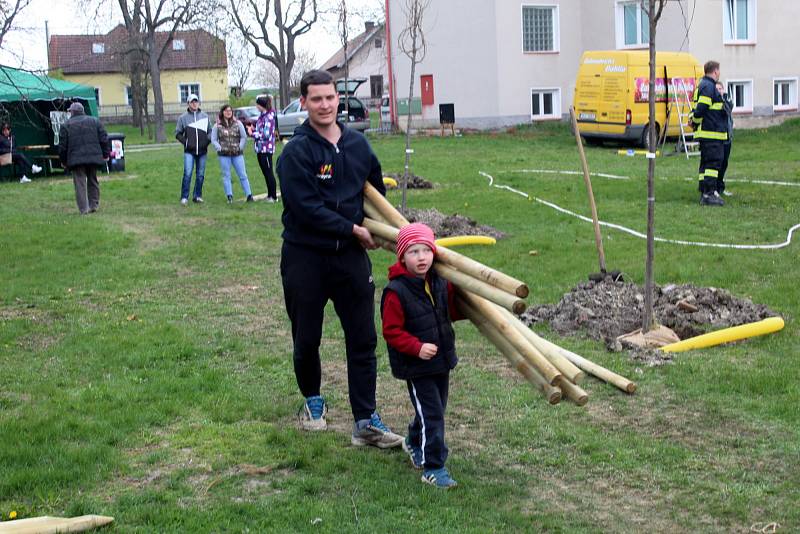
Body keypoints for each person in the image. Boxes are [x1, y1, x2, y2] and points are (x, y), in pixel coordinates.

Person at [276, 69, 402, 448]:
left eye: (330, 98)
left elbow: (375, 191)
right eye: (316, 99)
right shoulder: (296, 153)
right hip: (305, 257)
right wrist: (352, 230)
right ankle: (313, 402)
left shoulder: (358, 145)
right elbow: (305, 208)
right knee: (307, 338)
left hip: (349, 259)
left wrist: (378, 230)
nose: (325, 105)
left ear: (337, 99)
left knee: (363, 338)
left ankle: (365, 420)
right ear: (304, 103)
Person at [381, 223, 462, 489]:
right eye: (413, 252)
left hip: (441, 361)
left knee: (434, 410)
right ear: (402, 256)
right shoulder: (396, 291)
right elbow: (391, 331)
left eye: (426, 250)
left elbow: (451, 311)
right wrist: (416, 347)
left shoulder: (439, 281)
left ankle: (415, 440)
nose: (421, 257)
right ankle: (434, 468)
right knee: (433, 414)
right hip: (417, 365)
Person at [58, 102, 110, 215]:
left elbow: (62, 146)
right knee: (93, 180)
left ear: (72, 112)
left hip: (76, 159)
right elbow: (104, 139)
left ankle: (84, 209)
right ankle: (94, 205)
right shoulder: (95, 121)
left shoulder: (66, 125)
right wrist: (106, 154)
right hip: (93, 156)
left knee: (80, 183)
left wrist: (63, 161)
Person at [690, 60, 729, 207]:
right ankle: (709, 194)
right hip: (712, 133)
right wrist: (695, 121)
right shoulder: (708, 87)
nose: (719, 73)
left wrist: (693, 120)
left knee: (706, 164)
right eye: (718, 71)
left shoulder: (702, 85)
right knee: (713, 164)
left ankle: (704, 190)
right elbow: (701, 109)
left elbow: (697, 109)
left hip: (709, 133)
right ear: (715, 71)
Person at [211, 104, 254, 203]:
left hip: (237, 154)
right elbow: (213, 139)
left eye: (230, 111)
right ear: (222, 112)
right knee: (226, 175)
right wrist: (219, 147)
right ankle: (229, 196)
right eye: (226, 111)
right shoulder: (217, 125)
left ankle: (249, 195)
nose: (228, 112)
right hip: (224, 155)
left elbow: (243, 137)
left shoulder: (238, 123)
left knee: (243, 174)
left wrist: (240, 147)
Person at [175, 94, 211, 205]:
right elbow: (178, 133)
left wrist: (206, 141)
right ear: (188, 104)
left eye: (196, 101)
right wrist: (186, 142)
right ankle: (184, 197)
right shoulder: (183, 118)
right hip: (189, 151)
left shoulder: (205, 116)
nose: (194, 104)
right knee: (187, 173)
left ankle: (197, 196)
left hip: (202, 151)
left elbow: (210, 131)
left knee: (200, 174)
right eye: (192, 102)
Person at [249, 94, 279, 203]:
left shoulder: (269, 117)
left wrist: (252, 133)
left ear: (261, 105)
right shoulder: (262, 116)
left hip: (266, 149)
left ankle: (273, 196)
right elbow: (261, 129)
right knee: (265, 172)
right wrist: (254, 129)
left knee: (269, 172)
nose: (256, 106)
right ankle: (269, 194)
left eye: (257, 104)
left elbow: (265, 135)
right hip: (260, 148)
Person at [716, 81, 734, 197]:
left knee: (724, 164)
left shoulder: (726, 101)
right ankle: (713, 189)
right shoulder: (714, 102)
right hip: (718, 139)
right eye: (716, 89)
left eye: (720, 88)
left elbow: (729, 111)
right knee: (717, 164)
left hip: (728, 138)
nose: (719, 91)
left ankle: (721, 187)